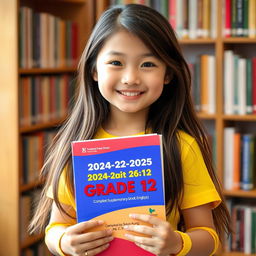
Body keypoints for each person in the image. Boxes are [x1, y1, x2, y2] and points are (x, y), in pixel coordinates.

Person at [30, 4, 231, 256]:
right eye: (116, 62)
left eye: (148, 64)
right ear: (94, 70)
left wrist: (177, 243)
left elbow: (210, 238)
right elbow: (55, 227)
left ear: (168, 74)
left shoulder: (181, 146)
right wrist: (63, 242)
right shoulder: (76, 147)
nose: (131, 78)